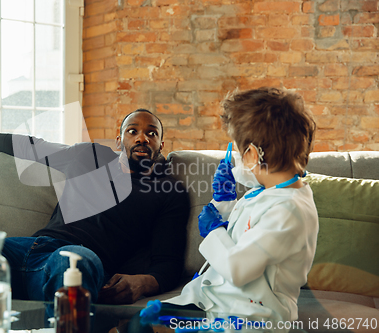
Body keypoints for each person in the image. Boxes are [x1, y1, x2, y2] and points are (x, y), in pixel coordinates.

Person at [0, 109, 190, 305]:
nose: (142, 137)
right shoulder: (92, 157)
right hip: (23, 249)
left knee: (76, 268)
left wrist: (142, 283)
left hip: (69, 263)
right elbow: (31, 146)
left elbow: (168, 262)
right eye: (133, 130)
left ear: (161, 145)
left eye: (152, 133)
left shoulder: (169, 192)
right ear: (118, 139)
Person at [134, 87, 318, 332]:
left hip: (252, 317)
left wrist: (212, 230)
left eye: (238, 151)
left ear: (252, 154)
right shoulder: (271, 193)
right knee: (138, 325)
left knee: (141, 328)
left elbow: (238, 268)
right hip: (225, 302)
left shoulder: (289, 210)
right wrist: (224, 202)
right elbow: (246, 234)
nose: (235, 159)